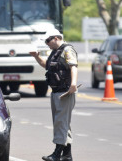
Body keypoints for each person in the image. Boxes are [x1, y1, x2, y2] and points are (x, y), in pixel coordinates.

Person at [29, 28, 78, 161]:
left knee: (60, 123)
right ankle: (67, 155)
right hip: (56, 92)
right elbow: (47, 66)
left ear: (56, 38)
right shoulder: (55, 52)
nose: (46, 43)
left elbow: (73, 66)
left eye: (47, 40)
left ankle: (57, 154)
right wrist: (36, 57)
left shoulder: (67, 50)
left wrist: (73, 83)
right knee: (63, 123)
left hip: (65, 92)